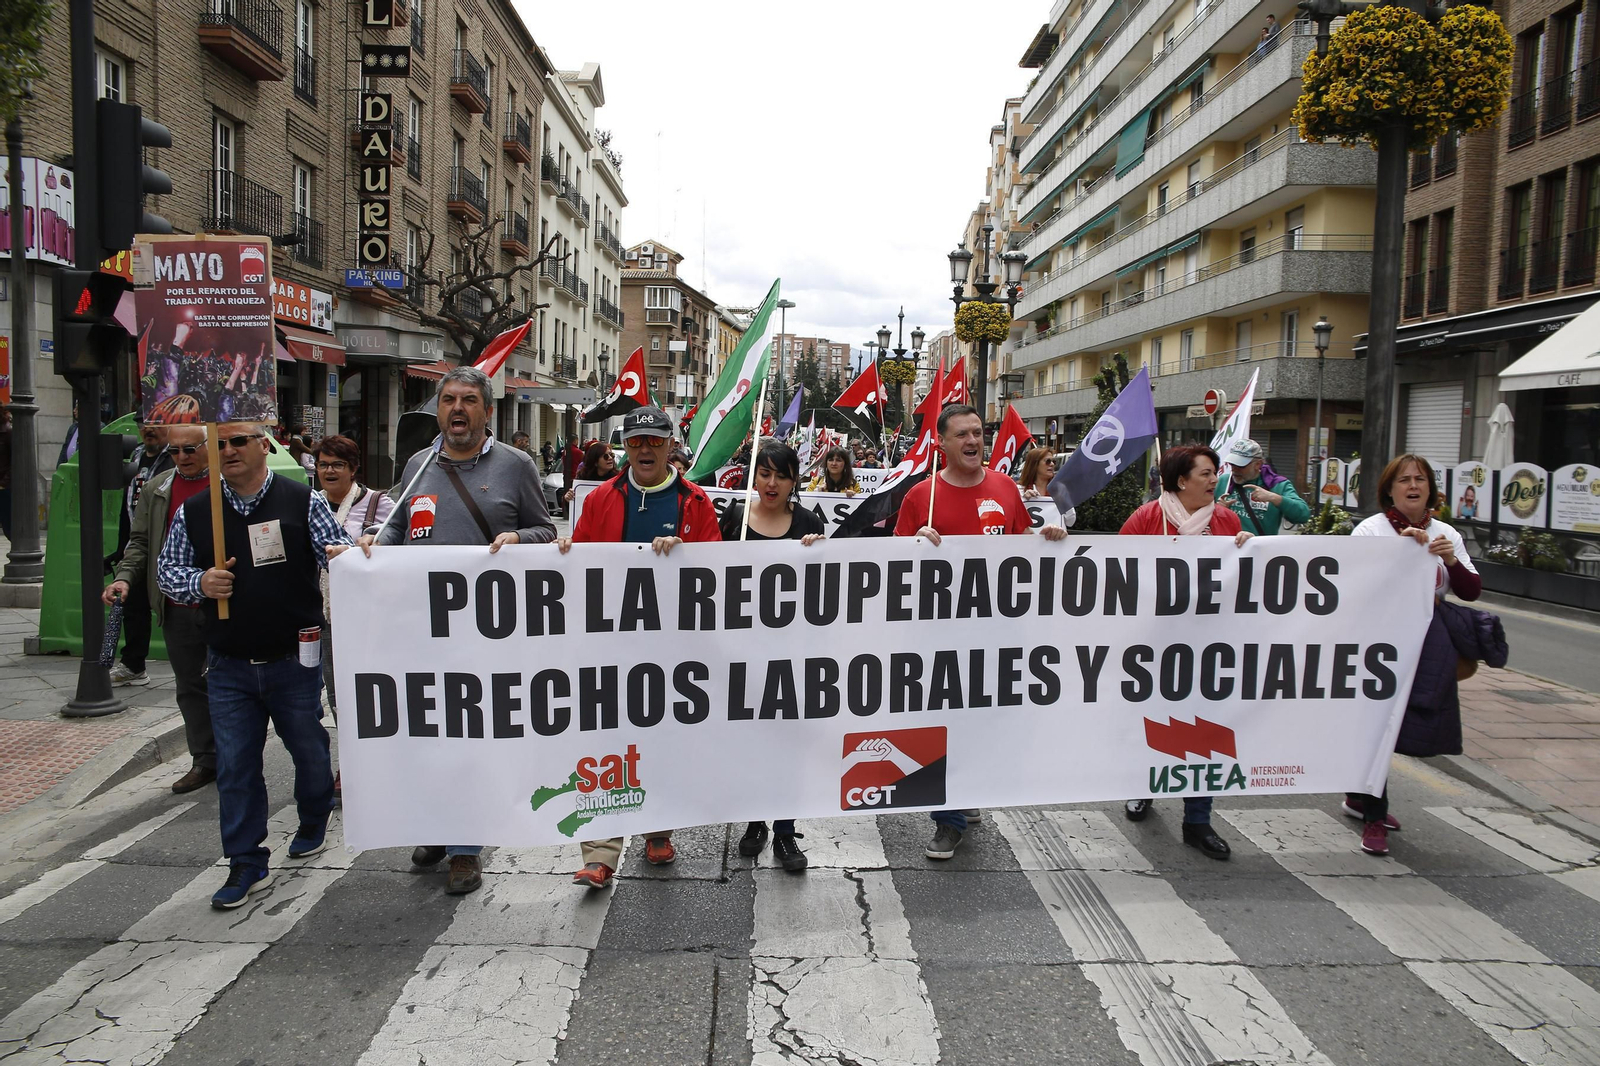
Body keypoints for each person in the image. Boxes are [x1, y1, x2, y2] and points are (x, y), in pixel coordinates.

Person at [344, 366, 557, 895]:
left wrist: (518, 540)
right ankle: (437, 827)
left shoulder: (515, 465)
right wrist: (372, 543)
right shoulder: (419, 464)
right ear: (438, 409)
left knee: (471, 737)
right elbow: (398, 526)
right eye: (448, 400)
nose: (457, 409)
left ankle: (465, 847)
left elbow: (545, 530)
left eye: (468, 400)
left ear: (487, 410)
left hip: (486, 631)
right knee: (429, 733)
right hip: (423, 629)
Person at [156, 422, 352, 909]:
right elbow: (168, 571)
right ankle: (245, 860)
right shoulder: (196, 510)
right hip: (228, 663)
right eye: (219, 443)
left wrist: (347, 555)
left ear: (264, 445)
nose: (229, 450)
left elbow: (339, 555)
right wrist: (201, 583)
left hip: (294, 658)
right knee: (236, 767)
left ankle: (313, 817)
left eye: (239, 441)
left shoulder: (302, 500)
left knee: (308, 750)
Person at [894, 404, 1069, 860]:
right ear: (942, 443)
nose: (973, 441)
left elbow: (1022, 547)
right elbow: (893, 563)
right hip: (938, 635)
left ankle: (965, 789)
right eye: (962, 434)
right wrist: (915, 545)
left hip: (997, 632)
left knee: (982, 720)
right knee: (942, 723)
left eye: (978, 432)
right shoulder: (921, 496)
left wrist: (1047, 539)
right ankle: (948, 819)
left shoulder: (1005, 488)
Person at [556, 405, 720, 889]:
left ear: (671, 445)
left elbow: (716, 569)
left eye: (654, 441)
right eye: (635, 441)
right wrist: (565, 554)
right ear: (624, 446)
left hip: (673, 649)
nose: (645, 449)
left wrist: (686, 556)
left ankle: (657, 829)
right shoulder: (601, 498)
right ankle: (600, 853)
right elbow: (581, 561)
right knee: (606, 744)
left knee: (661, 740)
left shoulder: (696, 502)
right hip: (610, 645)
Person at [1121, 444, 1253, 860]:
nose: (1215, 479)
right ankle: (1143, 787)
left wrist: (1251, 549)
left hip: (1209, 645)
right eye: (1206, 473)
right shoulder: (1147, 518)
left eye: (1215, 472)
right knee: (1153, 721)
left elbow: (1245, 579)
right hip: (1154, 644)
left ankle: (1198, 820)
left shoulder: (1227, 520)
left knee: (1205, 728)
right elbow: (1116, 571)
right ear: (1182, 481)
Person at [1349, 454, 1481, 856]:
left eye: (1420, 479)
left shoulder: (1445, 533)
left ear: (1430, 490)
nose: (1413, 486)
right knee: (1377, 725)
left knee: (1410, 723)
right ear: (1389, 489)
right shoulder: (1370, 531)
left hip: (1426, 644)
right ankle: (1374, 816)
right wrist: (1399, 554)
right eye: (1404, 479)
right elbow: (1353, 586)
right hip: (1378, 643)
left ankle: (1358, 795)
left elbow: (1471, 590)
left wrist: (1450, 559)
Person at [719, 441, 826, 874]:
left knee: (788, 743)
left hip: (791, 655)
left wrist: (819, 551)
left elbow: (824, 588)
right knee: (750, 742)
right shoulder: (734, 518)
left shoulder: (807, 522)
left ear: (794, 481)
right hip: (741, 652)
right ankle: (754, 821)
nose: (771, 483)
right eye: (764, 473)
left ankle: (785, 830)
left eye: (781, 475)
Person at [106, 425, 215, 794]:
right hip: (175, 604)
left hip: (225, 602)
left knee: (232, 684)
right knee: (190, 686)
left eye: (190, 449)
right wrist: (124, 578)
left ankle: (238, 757)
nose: (182, 457)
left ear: (208, 446)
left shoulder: (226, 483)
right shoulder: (158, 489)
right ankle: (205, 759)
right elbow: (139, 542)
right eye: (175, 451)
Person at [311, 434, 394, 804]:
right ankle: (351, 763)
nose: (329, 471)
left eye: (338, 465)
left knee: (374, 693)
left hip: (371, 618)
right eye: (323, 464)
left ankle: (381, 760)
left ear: (353, 469)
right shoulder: (310, 504)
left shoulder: (378, 503)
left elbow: (395, 545)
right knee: (338, 694)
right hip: (325, 616)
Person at [109, 422, 173, 687]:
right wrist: (121, 548)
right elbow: (128, 508)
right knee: (133, 605)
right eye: (143, 424)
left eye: (155, 424)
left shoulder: (174, 457)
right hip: (139, 538)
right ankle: (133, 664)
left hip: (166, 541)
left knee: (174, 606)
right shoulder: (135, 456)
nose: (148, 429)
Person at [1223, 438, 1310, 535]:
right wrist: (1217, 509)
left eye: (1240, 466)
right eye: (1232, 464)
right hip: (1227, 543)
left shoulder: (1278, 485)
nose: (1234, 469)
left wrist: (1274, 498)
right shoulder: (1224, 482)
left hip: (1260, 544)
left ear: (1258, 464)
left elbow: (1303, 515)